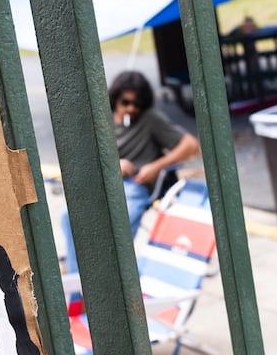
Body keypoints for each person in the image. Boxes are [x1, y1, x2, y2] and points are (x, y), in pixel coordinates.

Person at [62, 70, 200, 273]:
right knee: (69, 216)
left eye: (138, 104)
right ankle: (78, 286)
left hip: (135, 185)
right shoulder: (100, 120)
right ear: (115, 98)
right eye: (126, 102)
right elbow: (81, 158)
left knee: (119, 221)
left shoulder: (150, 118)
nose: (132, 108)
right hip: (103, 183)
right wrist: (112, 164)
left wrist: (156, 166)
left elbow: (191, 145)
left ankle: (114, 274)